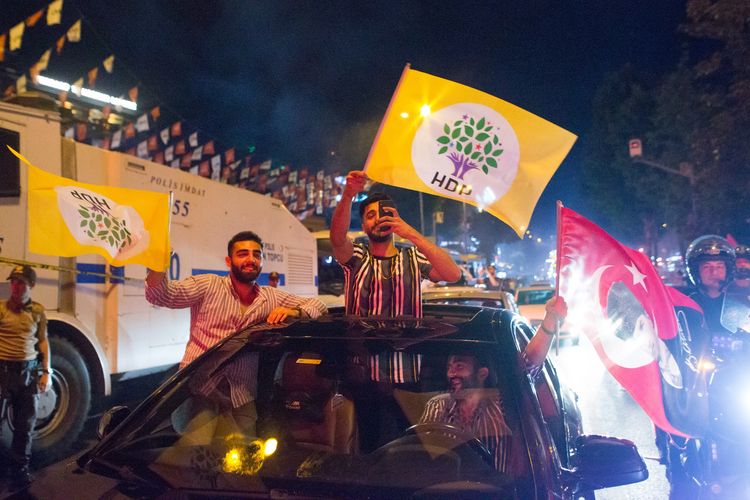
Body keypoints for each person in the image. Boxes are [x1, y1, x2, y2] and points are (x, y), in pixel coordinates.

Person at [419, 296, 567, 471]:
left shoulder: (504, 406)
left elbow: (528, 366)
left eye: (459, 366)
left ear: (482, 373)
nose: (451, 373)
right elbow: (422, 457)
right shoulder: (437, 405)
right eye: (449, 367)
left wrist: (550, 320)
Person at [145, 230, 327, 369]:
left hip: (241, 394)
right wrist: (159, 264)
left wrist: (294, 311)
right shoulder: (209, 285)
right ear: (228, 261)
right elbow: (160, 295)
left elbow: (319, 306)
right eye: (243, 254)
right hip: (198, 388)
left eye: (256, 255)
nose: (251, 259)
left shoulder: (270, 296)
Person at [330, 170, 461, 317]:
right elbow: (337, 239)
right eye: (371, 215)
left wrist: (410, 232)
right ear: (363, 227)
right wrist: (348, 195)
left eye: (385, 213)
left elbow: (453, 274)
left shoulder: (414, 258)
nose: (379, 219)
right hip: (363, 339)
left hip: (406, 340)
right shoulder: (357, 256)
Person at [0, 265, 52, 490]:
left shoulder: (38, 312)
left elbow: (43, 341)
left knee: (25, 427)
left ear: (31, 285)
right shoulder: (1, 309)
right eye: (13, 281)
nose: (16, 286)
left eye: (21, 282)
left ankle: (19, 472)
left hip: (28, 374)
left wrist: (46, 372)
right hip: (2, 372)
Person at [684, 235, 735, 335]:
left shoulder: (741, 304)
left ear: (728, 270)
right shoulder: (685, 305)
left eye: (719, 266)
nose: (714, 272)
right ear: (696, 271)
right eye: (707, 267)